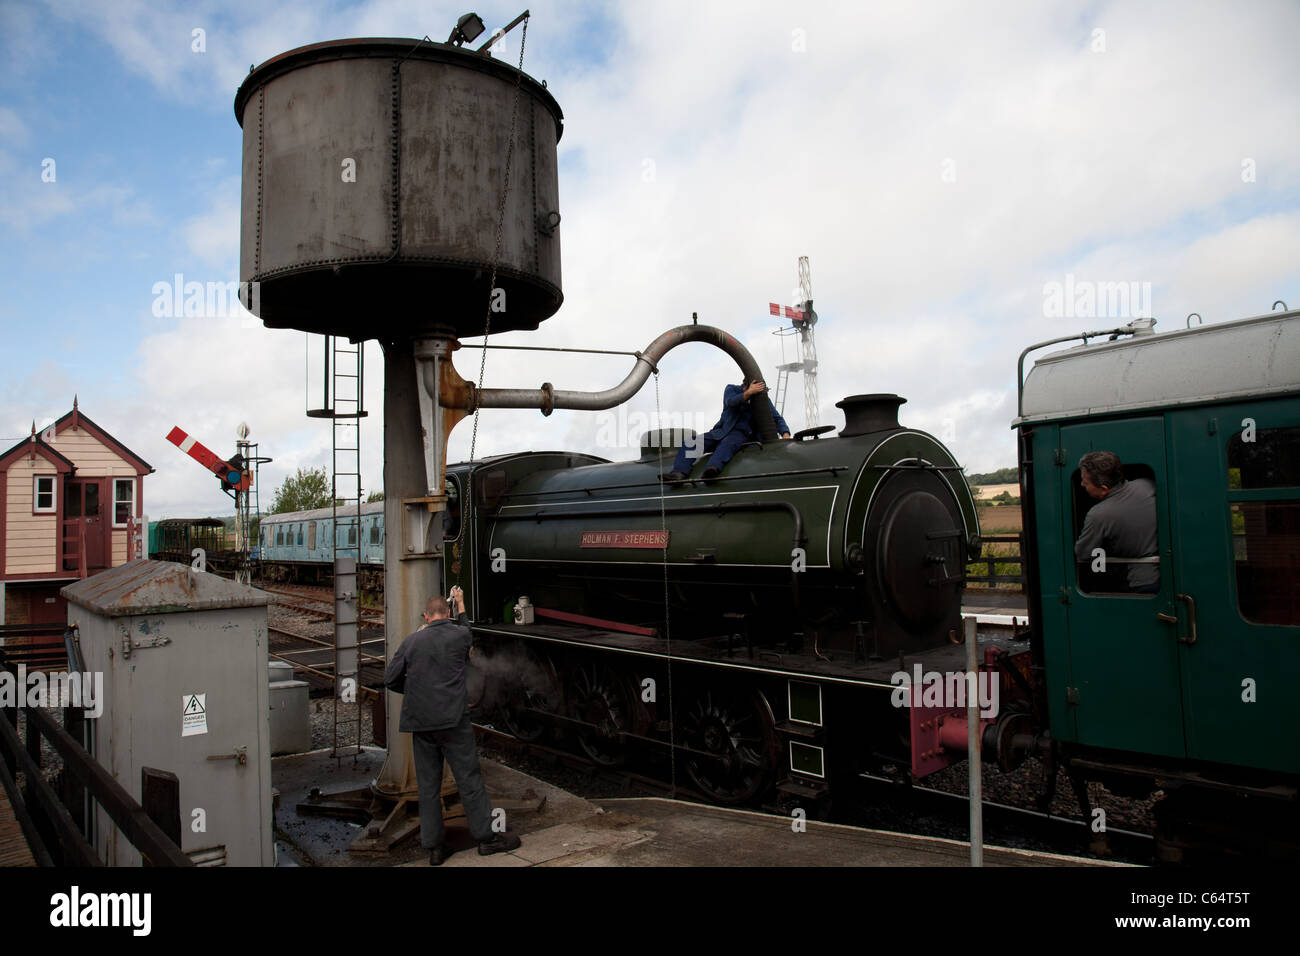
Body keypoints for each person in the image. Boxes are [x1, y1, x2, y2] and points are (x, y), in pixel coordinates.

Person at [384, 585, 521, 865]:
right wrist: (461, 602)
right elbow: (465, 627)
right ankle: (486, 838)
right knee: (469, 780)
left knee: (428, 786)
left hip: (421, 723)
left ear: (425, 616)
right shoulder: (460, 636)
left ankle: (434, 848)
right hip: (453, 722)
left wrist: (415, 691)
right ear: (446, 612)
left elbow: (390, 679)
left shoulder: (412, 642)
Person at [664, 377, 792, 482]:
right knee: (690, 443)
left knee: (727, 444)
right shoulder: (731, 389)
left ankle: (712, 469)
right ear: (744, 385)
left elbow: (775, 418)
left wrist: (785, 434)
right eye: (751, 388)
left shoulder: (761, 398)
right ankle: (679, 473)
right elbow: (731, 402)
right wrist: (748, 393)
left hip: (742, 434)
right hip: (721, 431)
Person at [1073, 451, 1160, 593]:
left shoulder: (1098, 515)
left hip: (1141, 582)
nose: (1082, 484)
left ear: (1103, 489)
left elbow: (1083, 553)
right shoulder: (1148, 485)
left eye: (1086, 482)